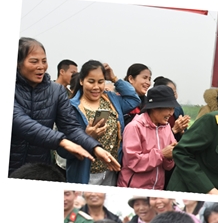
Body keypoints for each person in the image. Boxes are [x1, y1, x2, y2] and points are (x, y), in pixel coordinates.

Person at [11, 38, 117, 177]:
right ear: (17, 63)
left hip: (38, 169)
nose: (41, 66)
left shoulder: (56, 91)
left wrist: (95, 147)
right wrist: (62, 141)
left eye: (44, 61)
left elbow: (70, 127)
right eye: (34, 61)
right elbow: (20, 121)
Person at [118, 85, 177, 189]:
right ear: (154, 108)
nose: (171, 113)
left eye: (173, 109)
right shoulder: (134, 127)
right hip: (133, 190)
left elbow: (168, 166)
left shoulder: (166, 127)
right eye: (168, 108)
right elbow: (134, 162)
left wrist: (171, 156)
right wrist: (162, 154)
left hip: (156, 190)